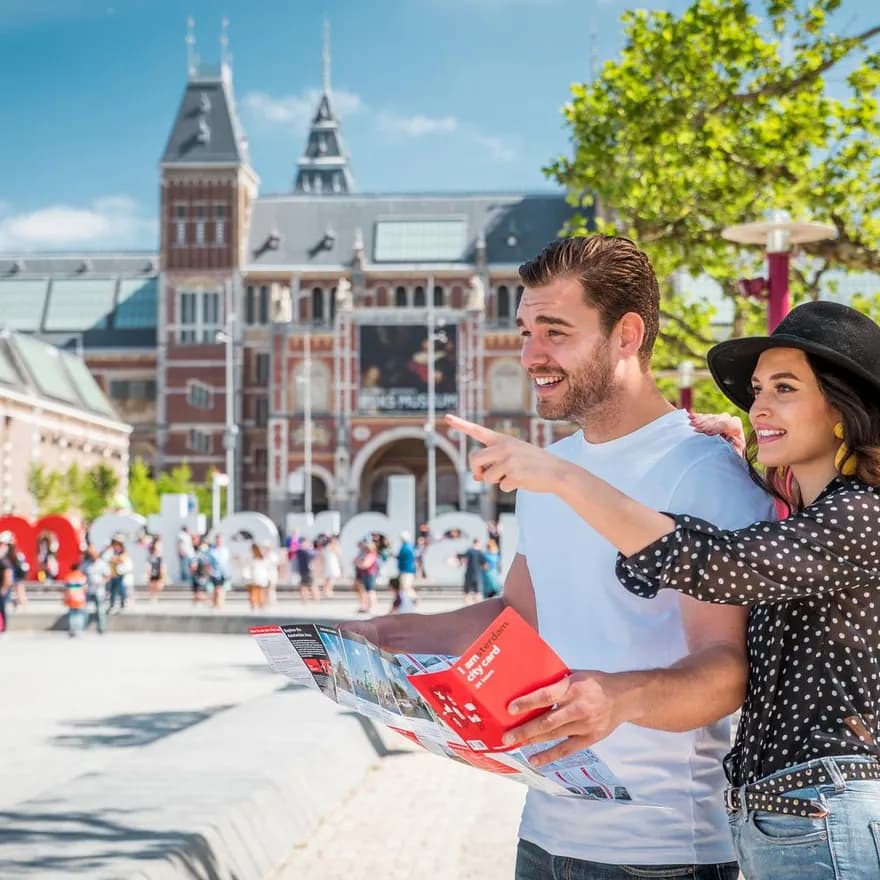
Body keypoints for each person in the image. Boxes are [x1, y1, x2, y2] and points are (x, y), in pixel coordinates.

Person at [346, 235, 774, 880]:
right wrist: (387, 634)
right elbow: (519, 616)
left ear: (626, 335)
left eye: (555, 331)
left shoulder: (704, 472)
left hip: (660, 852)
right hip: (544, 831)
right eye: (524, 332)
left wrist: (617, 698)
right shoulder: (550, 469)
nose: (531, 355)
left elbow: (726, 671)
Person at [452, 298, 880, 880]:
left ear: (842, 406)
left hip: (829, 812)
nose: (758, 408)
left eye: (784, 389)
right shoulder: (806, 517)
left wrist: (562, 477)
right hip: (782, 818)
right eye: (756, 391)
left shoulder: (861, 515)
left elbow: (710, 563)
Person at [80, 544, 109, 635]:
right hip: (88, 589)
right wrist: (83, 586)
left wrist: (102, 582)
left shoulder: (102, 563)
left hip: (99, 590)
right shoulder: (85, 564)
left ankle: (101, 628)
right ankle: (82, 627)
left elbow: (107, 576)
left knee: (100, 610)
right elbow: (81, 575)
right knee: (85, 609)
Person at [106, 534, 133, 613]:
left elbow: (121, 559)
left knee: (121, 589)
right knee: (112, 590)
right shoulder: (112, 552)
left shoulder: (124, 553)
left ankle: (123, 605)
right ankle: (112, 605)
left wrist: (114, 559)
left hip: (120, 574)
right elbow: (108, 559)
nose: (116, 546)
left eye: (117, 544)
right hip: (113, 574)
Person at [457, 538, 487, 605]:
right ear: (477, 543)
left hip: (469, 574)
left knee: (467, 593)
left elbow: (463, 559)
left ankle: (466, 608)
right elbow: (485, 566)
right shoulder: (480, 552)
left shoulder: (469, 551)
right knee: (478, 593)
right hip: (478, 575)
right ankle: (478, 609)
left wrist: (458, 559)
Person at [63, 562, 88, 637]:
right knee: (80, 615)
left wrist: (65, 598)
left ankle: (72, 629)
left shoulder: (69, 577)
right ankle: (79, 629)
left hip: (71, 598)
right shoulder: (82, 577)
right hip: (80, 598)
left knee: (72, 615)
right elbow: (85, 589)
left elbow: (66, 589)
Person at [353, 540, 379, 613]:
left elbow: (365, 565)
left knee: (370, 591)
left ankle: (372, 607)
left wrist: (359, 564)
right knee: (368, 591)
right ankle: (368, 606)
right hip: (365, 574)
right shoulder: (366, 554)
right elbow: (355, 561)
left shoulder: (372, 555)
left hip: (370, 574)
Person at [396, 531, 418, 600]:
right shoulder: (410, 546)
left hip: (406, 569)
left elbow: (402, 557)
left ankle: (413, 599)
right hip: (408, 569)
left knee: (406, 586)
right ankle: (411, 598)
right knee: (407, 586)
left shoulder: (405, 547)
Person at [0, 532, 14, 634]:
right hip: (3, 588)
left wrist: (4, 589)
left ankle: (3, 627)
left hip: (2, 589)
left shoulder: (4, 561)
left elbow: (8, 576)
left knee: (2, 608)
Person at [146, 537, 165, 601]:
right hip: (153, 570)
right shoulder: (151, 556)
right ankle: (152, 596)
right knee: (152, 584)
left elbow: (162, 565)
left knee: (159, 585)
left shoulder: (160, 557)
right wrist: (148, 572)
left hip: (158, 570)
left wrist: (163, 571)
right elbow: (149, 565)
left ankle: (154, 595)